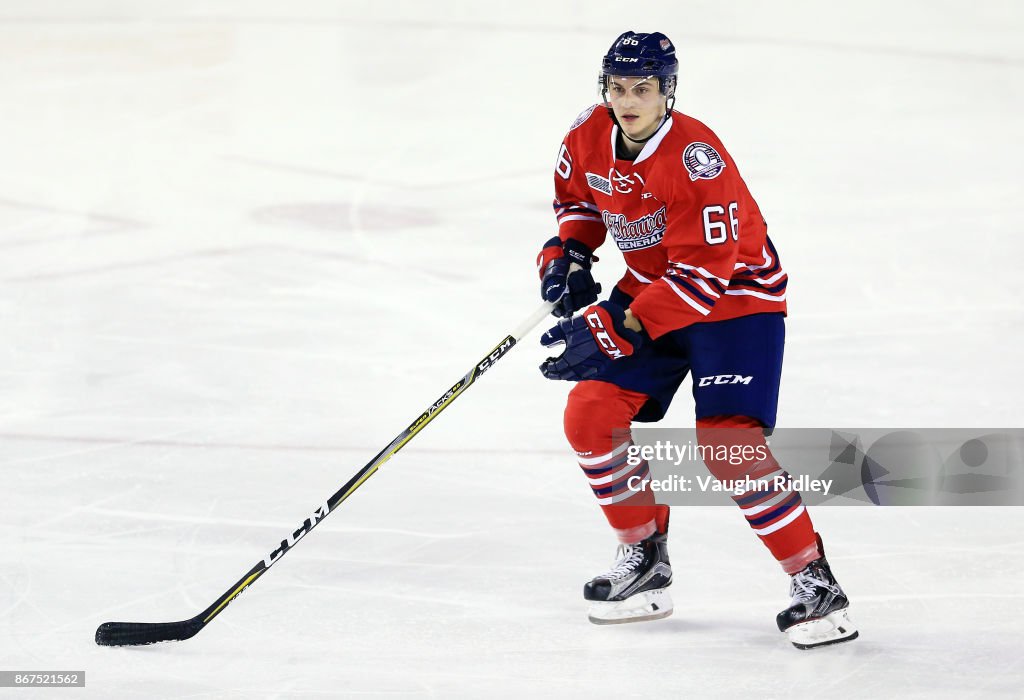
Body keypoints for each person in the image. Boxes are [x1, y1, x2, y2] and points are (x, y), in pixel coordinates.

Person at [535, 30, 858, 649]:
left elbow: (705, 276)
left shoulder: (695, 157)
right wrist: (569, 256)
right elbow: (576, 202)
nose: (628, 101)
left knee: (727, 444)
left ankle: (815, 583)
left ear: (668, 92)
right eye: (618, 87)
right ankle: (644, 561)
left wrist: (612, 324)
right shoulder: (585, 133)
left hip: (735, 298)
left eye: (644, 89)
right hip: (655, 283)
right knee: (591, 412)